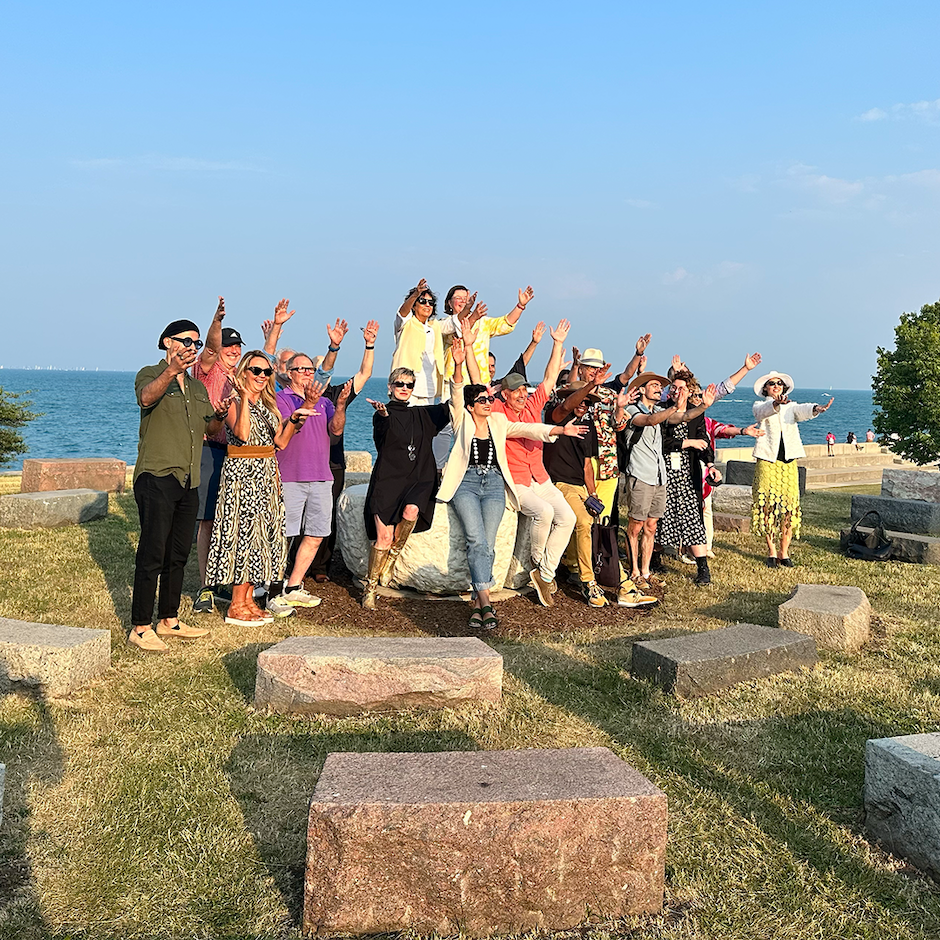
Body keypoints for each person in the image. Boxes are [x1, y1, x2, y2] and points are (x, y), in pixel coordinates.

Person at [439, 340, 590, 629]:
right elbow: (458, 391)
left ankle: (490, 594)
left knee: (490, 543)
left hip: (495, 483)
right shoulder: (463, 420)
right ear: (473, 406)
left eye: (488, 400)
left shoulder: (499, 422)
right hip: (466, 484)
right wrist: (460, 362)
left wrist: (561, 429)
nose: (487, 403)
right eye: (482, 400)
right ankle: (483, 601)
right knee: (476, 539)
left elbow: (530, 428)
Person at [130, 320, 230, 651]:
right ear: (166, 342)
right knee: (152, 553)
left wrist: (220, 414)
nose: (191, 346)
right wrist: (171, 371)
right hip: (157, 475)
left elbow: (210, 428)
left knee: (177, 554)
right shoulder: (150, 373)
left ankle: (168, 619)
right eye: (185, 340)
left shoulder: (197, 388)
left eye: (196, 343)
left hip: (190, 479)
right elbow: (146, 399)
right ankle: (141, 627)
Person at [204, 351, 312, 625]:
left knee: (262, 538)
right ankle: (236, 604)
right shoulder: (232, 403)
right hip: (242, 475)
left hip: (265, 472)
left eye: (267, 372)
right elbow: (241, 433)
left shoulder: (270, 406)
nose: (262, 376)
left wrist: (295, 422)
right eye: (256, 370)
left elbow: (281, 442)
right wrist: (242, 397)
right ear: (244, 373)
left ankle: (249, 599)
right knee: (242, 537)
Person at [361, 363, 460, 609]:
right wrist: (383, 414)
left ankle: (393, 557)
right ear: (390, 387)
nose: (404, 388)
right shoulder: (381, 415)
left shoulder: (423, 415)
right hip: (387, 481)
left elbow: (456, 401)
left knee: (411, 512)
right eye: (399, 384)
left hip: (417, 478)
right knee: (383, 537)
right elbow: (383, 428)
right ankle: (371, 587)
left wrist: (458, 364)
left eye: (409, 385)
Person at [491, 320, 576, 606]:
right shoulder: (496, 412)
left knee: (568, 517)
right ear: (505, 393)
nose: (522, 395)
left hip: (539, 476)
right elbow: (524, 431)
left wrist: (557, 343)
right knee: (542, 512)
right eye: (516, 392)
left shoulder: (531, 404)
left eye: (524, 391)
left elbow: (550, 379)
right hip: (515, 481)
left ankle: (544, 573)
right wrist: (556, 431)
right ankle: (538, 563)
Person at [269, 354, 353, 615]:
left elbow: (336, 431)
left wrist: (339, 406)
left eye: (310, 369)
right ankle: (272, 590)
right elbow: (287, 428)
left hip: (321, 477)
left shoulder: (325, 402)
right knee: (284, 534)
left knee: (317, 534)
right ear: (289, 372)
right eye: (301, 369)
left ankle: (293, 586)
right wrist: (307, 403)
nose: (307, 373)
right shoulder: (281, 398)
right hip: (291, 476)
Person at [307, 320, 380, 583]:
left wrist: (369, 344)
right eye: (315, 371)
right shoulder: (302, 397)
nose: (318, 376)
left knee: (328, 515)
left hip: (333, 464)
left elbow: (365, 373)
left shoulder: (339, 393)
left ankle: (320, 567)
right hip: (305, 465)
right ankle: (296, 564)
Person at [751, 370, 833, 567]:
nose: (776, 385)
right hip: (767, 461)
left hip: (788, 463)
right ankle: (771, 551)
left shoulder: (791, 406)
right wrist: (777, 404)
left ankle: (784, 552)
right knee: (767, 507)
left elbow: (802, 410)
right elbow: (762, 412)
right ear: (766, 389)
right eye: (772, 383)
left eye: (779, 383)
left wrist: (816, 408)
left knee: (789, 508)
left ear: (784, 387)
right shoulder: (760, 405)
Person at [656, 372, 719, 585]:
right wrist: (686, 443)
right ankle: (655, 558)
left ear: (690, 391)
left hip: (686, 474)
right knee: (660, 516)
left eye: (681, 388)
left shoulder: (696, 414)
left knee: (692, 517)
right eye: (673, 387)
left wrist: (710, 465)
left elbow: (703, 441)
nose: (676, 391)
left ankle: (702, 568)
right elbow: (661, 442)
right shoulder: (662, 411)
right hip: (663, 473)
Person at [392, 279, 458, 467]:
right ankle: (401, 469)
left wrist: (469, 309)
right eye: (423, 301)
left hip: (428, 388)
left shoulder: (435, 326)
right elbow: (401, 313)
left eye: (431, 302)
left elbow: (455, 322)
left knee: (423, 434)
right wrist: (415, 294)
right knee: (404, 431)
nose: (427, 305)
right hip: (405, 387)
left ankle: (420, 472)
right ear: (414, 305)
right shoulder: (405, 324)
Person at [443, 284, 533, 384]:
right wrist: (472, 316)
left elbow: (505, 324)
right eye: (458, 298)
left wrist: (520, 306)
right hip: (454, 382)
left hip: (480, 382)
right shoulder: (444, 324)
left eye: (465, 298)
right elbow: (459, 333)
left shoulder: (482, 322)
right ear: (450, 303)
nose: (463, 301)